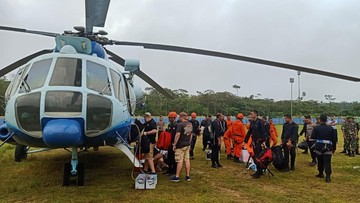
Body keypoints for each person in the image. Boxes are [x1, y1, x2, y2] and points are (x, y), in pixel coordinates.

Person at [312, 114, 337, 183]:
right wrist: (334, 148)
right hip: (328, 147)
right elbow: (334, 139)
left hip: (319, 146)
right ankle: (328, 177)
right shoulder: (331, 128)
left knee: (320, 161)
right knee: (327, 162)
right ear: (326, 120)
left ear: (320, 120)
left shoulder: (316, 128)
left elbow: (313, 136)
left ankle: (320, 173)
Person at [170, 112, 193, 182]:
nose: (179, 118)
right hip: (187, 144)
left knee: (179, 160)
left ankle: (177, 177)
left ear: (182, 117)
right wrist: (189, 142)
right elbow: (190, 134)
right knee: (187, 160)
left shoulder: (180, 125)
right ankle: (187, 176)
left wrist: (174, 144)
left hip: (180, 145)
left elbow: (177, 135)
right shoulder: (189, 124)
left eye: (179, 117)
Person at [244, 110, 266, 178]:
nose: (251, 115)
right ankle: (259, 170)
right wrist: (245, 141)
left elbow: (263, 132)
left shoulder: (260, 122)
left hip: (259, 142)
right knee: (255, 156)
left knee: (258, 157)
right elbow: (249, 132)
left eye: (252, 114)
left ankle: (259, 171)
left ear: (256, 114)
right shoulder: (252, 122)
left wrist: (263, 141)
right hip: (254, 141)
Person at [163, 111, 178, 176]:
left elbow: (176, 135)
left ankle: (174, 170)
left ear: (173, 118)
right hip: (169, 143)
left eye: (170, 117)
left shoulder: (177, 125)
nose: (169, 118)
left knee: (174, 158)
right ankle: (169, 170)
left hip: (174, 144)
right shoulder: (169, 125)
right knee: (169, 157)